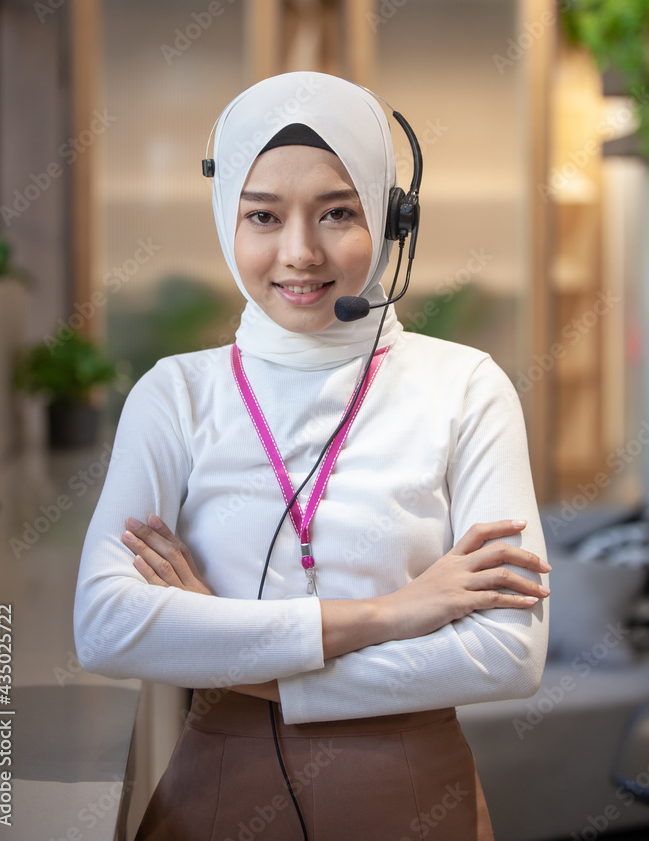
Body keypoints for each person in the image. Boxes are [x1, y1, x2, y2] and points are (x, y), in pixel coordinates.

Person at [73, 71, 550, 841]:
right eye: (262, 215)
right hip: (215, 797)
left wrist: (222, 638)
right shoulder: (175, 396)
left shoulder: (465, 387)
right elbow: (105, 628)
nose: (298, 253)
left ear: (393, 221)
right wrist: (393, 614)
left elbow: (506, 654)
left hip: (413, 791)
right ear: (226, 219)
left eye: (336, 212)